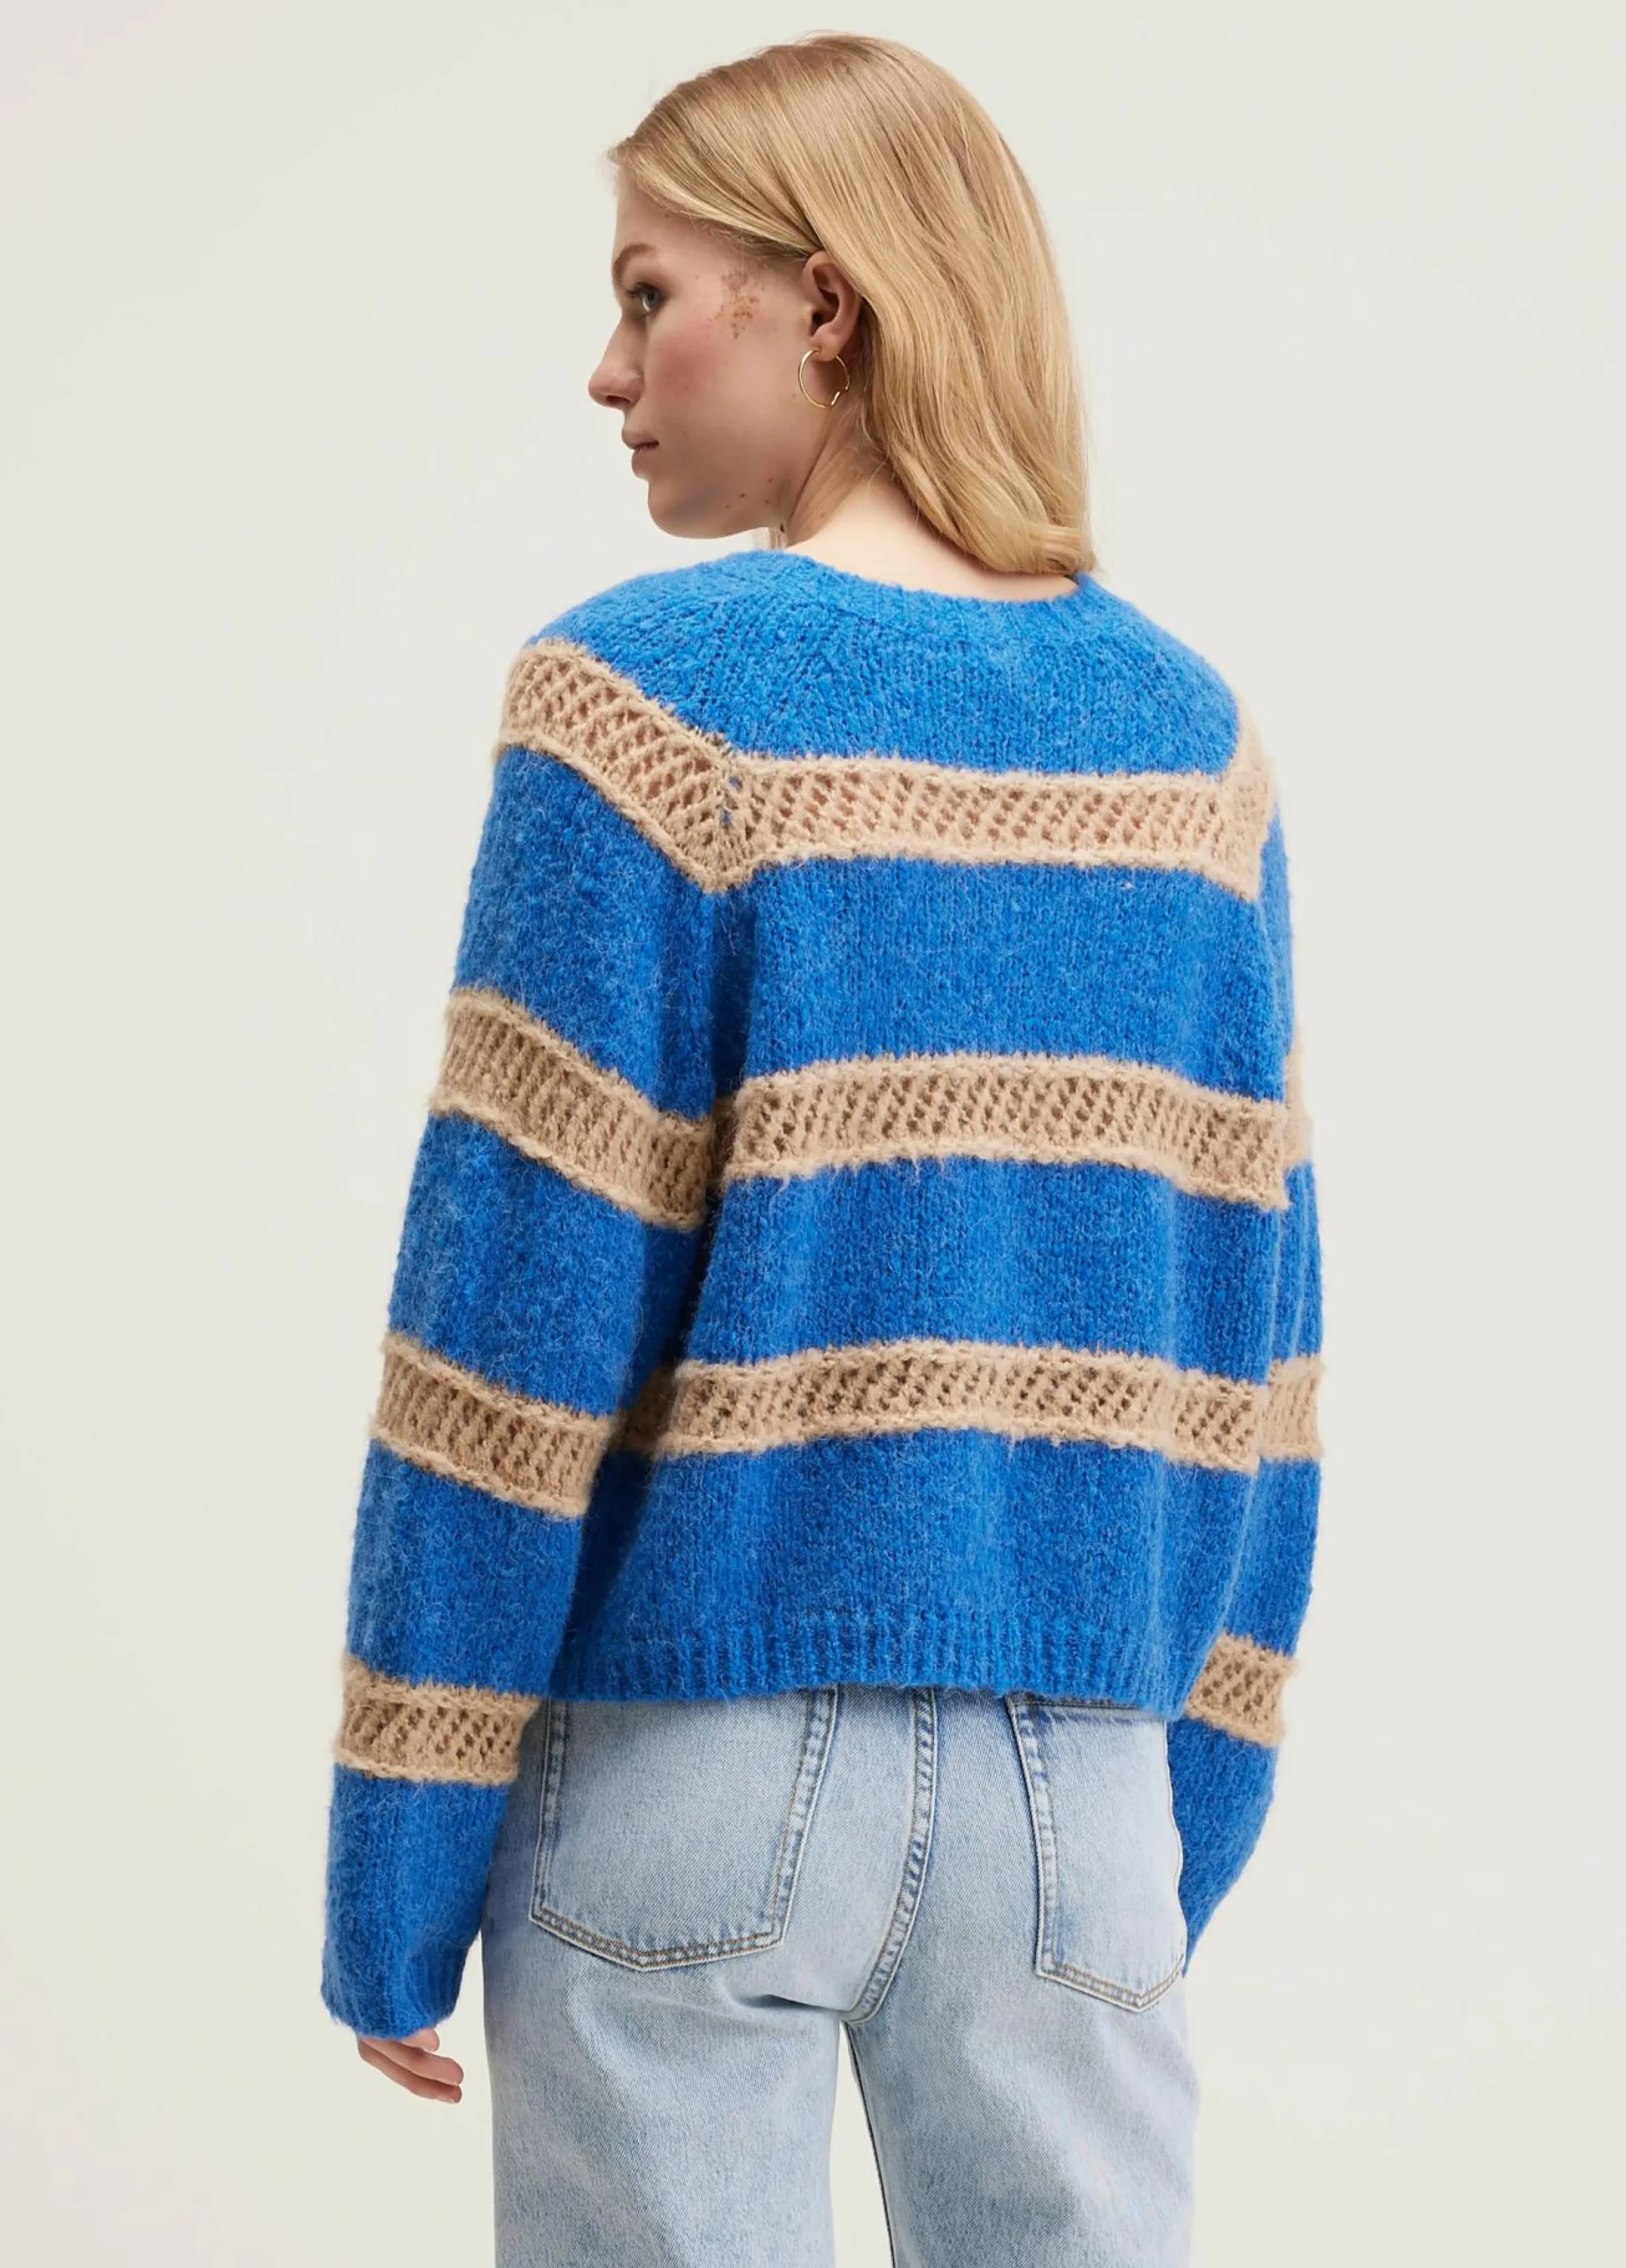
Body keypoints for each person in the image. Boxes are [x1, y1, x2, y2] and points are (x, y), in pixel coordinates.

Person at [319, 31, 1324, 2268]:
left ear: (827, 303)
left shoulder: (638, 703)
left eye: (648, 296)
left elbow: (505, 1336)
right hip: (1081, 1786)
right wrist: (1176, 1808)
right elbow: (1259, 1353)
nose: (609, 371)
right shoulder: (1195, 750)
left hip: (689, 1750)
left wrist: (398, 1858)